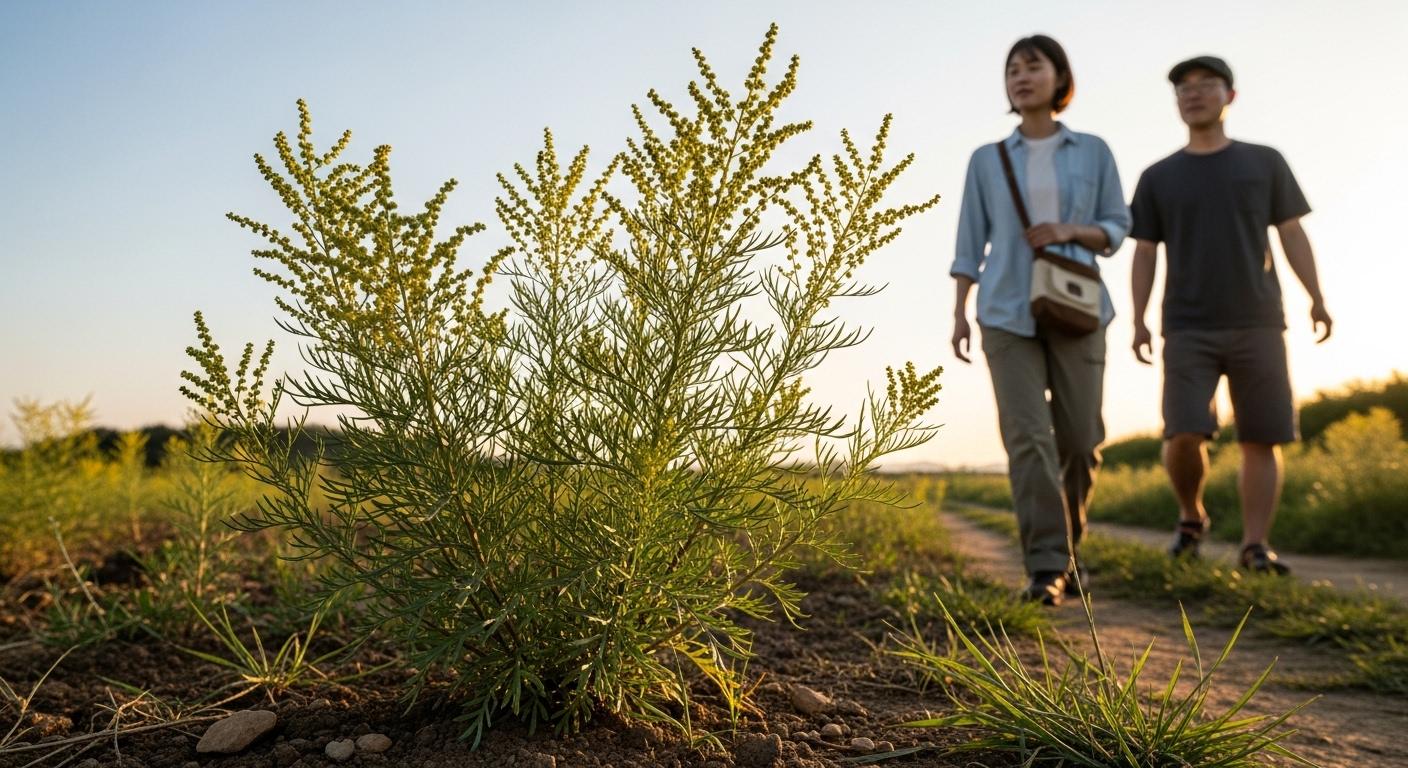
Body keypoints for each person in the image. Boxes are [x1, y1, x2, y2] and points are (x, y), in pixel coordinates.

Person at [1128, 55, 1332, 574]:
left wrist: (1317, 297)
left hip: (1259, 320)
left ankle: (1254, 546)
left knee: (1261, 436)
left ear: (1230, 96)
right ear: (1176, 103)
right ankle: (1190, 515)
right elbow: (1146, 251)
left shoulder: (1264, 162)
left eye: (1206, 85)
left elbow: (1291, 232)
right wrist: (1138, 319)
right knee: (1182, 433)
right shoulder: (1158, 176)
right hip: (1187, 324)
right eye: (1183, 89)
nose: (1193, 94)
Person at [951, 35, 1130, 605]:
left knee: (1080, 440)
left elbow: (1117, 227)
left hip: (1076, 306)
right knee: (1028, 437)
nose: (1022, 77)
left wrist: (1069, 231)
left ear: (1060, 77)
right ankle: (1046, 567)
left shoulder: (1094, 150)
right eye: (1012, 70)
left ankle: (1067, 551)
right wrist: (959, 311)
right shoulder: (987, 159)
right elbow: (967, 243)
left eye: (1034, 67)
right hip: (1004, 310)